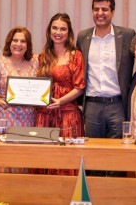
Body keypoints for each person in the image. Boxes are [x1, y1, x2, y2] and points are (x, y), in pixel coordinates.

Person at [76, 0, 135, 139]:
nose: (100, 13)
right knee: (93, 151)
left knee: (117, 152)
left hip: (117, 105)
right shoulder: (83, 37)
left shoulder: (127, 35)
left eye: (104, 9)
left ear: (113, 12)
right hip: (92, 105)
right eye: (96, 9)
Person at [36, 13, 85, 175]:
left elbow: (80, 87)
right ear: (49, 31)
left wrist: (60, 101)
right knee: (43, 158)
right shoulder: (43, 56)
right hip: (44, 114)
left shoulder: (75, 56)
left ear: (69, 32)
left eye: (63, 29)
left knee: (67, 160)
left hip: (68, 115)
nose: (58, 32)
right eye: (55, 28)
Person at [0, 26, 39, 173]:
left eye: (23, 41)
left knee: (24, 155)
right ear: (9, 42)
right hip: (4, 115)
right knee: (2, 155)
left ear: (28, 45)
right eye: (15, 40)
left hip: (27, 118)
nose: (18, 44)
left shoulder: (35, 62)